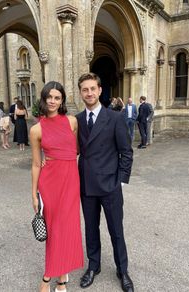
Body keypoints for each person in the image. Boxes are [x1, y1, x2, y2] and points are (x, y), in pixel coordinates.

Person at [76, 73, 134, 292]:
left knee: (116, 230)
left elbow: (126, 152)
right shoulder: (78, 120)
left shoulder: (115, 118)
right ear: (80, 92)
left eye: (93, 88)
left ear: (100, 90)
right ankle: (94, 266)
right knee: (91, 229)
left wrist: (119, 180)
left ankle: (123, 270)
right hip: (87, 185)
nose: (89, 93)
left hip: (110, 185)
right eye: (85, 89)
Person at [30, 81, 83, 292]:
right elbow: (35, 163)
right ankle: (50, 278)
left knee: (66, 228)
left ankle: (59, 278)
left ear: (62, 100)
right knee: (54, 230)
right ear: (43, 99)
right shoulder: (36, 129)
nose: (52, 101)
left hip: (71, 180)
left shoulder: (72, 122)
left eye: (57, 98)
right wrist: (33, 194)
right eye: (49, 97)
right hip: (49, 183)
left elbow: (75, 150)